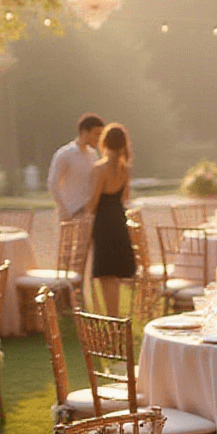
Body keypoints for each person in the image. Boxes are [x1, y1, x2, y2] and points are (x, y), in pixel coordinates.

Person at [88, 123, 137, 312]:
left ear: (105, 142)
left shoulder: (100, 168)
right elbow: (125, 197)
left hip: (103, 223)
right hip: (118, 220)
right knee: (115, 273)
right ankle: (115, 316)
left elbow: (93, 202)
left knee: (105, 274)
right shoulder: (125, 169)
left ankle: (111, 315)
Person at [48, 113, 104, 222]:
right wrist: (64, 210)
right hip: (71, 214)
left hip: (89, 214)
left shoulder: (93, 154)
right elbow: (53, 184)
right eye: (96, 134)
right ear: (84, 132)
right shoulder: (65, 154)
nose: (99, 138)